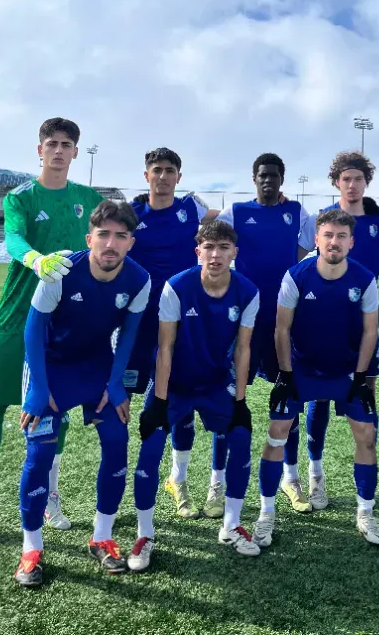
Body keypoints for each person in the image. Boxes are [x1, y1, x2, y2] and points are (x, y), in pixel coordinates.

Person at [0, 118, 103, 549]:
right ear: (39, 150)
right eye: (52, 143)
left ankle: (50, 497)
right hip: (17, 312)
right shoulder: (20, 197)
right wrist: (36, 260)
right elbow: (12, 239)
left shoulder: (89, 199)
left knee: (56, 407)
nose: (58, 150)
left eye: (66, 144)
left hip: (65, 319)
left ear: (76, 152)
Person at [13, 200, 149, 586]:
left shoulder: (139, 280)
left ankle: (102, 537)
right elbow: (33, 332)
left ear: (131, 242)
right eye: (103, 235)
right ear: (89, 239)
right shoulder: (61, 271)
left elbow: (128, 337)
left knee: (117, 441)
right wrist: (39, 390)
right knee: (39, 455)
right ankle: (31, 548)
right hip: (51, 369)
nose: (110, 243)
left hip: (97, 371)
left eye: (120, 236)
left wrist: (115, 384)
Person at [252, 210, 379, 549]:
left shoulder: (364, 279)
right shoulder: (297, 276)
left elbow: (370, 331)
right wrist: (285, 375)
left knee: (367, 435)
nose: (334, 242)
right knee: (276, 433)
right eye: (328, 235)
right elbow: (281, 328)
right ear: (317, 239)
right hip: (303, 369)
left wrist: (361, 377)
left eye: (341, 236)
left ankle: (365, 512)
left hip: (346, 371)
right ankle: (266, 514)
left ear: (351, 242)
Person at [135, 220, 260, 567]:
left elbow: (243, 349)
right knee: (150, 446)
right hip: (174, 383)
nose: (216, 255)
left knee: (240, 436)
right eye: (209, 247)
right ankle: (144, 534)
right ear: (198, 252)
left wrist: (240, 402)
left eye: (223, 248)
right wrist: (160, 402)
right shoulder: (177, 286)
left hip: (215, 382)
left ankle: (231, 526)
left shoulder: (248, 291)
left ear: (234, 253)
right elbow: (165, 346)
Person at [200, 153, 314, 514]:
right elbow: (210, 237)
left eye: (274, 175)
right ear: (254, 179)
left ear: (282, 179)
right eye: (262, 175)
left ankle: (290, 478)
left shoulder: (296, 212)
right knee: (228, 399)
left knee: (289, 400)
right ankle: (217, 484)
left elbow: (305, 249)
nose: (268, 180)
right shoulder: (236, 212)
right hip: (243, 320)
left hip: (283, 323)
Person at [298, 150, 379, 510]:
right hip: (323, 321)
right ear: (336, 182)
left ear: (366, 182)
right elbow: (298, 256)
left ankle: (367, 481)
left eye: (358, 179)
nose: (352, 185)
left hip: (364, 323)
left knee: (365, 396)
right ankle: (315, 474)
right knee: (319, 400)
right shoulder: (322, 219)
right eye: (346, 179)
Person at [125, 148, 220, 521]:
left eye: (169, 170)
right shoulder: (133, 213)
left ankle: (176, 479)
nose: (163, 176)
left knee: (180, 397)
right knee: (125, 401)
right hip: (138, 322)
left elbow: (224, 221)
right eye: (156, 170)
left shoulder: (190, 209)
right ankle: (124, 477)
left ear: (178, 177)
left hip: (182, 320)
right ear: (146, 175)